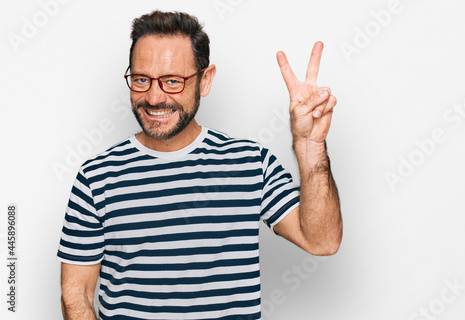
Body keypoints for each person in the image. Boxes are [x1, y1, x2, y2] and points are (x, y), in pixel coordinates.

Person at [57, 10, 342, 320]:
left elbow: (322, 241)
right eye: (141, 79)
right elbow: (77, 295)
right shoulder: (96, 178)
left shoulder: (251, 164)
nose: (154, 97)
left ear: (205, 80)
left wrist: (310, 145)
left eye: (172, 81)